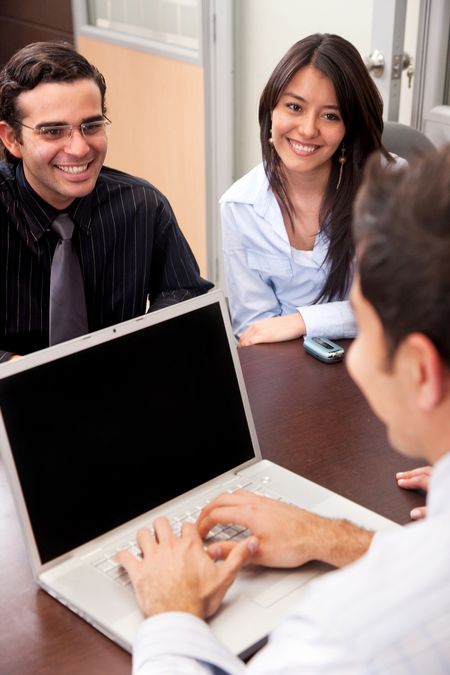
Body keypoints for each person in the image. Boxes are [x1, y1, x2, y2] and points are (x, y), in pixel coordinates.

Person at [117, 144, 450, 672]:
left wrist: (171, 614)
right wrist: (331, 535)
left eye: (364, 331)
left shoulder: (344, 637)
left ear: (420, 372)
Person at [0, 41, 213, 362]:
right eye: (54, 131)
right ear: (13, 139)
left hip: (120, 385)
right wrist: (14, 368)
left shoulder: (143, 205)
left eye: (92, 125)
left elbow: (185, 293)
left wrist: (141, 342)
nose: (79, 148)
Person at [220, 33, 405, 346]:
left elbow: (397, 307)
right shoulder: (239, 206)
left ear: (349, 127)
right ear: (271, 110)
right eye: (294, 107)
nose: (307, 129)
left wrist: (301, 320)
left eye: (330, 115)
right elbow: (256, 330)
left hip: (377, 355)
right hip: (288, 365)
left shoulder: (391, 187)